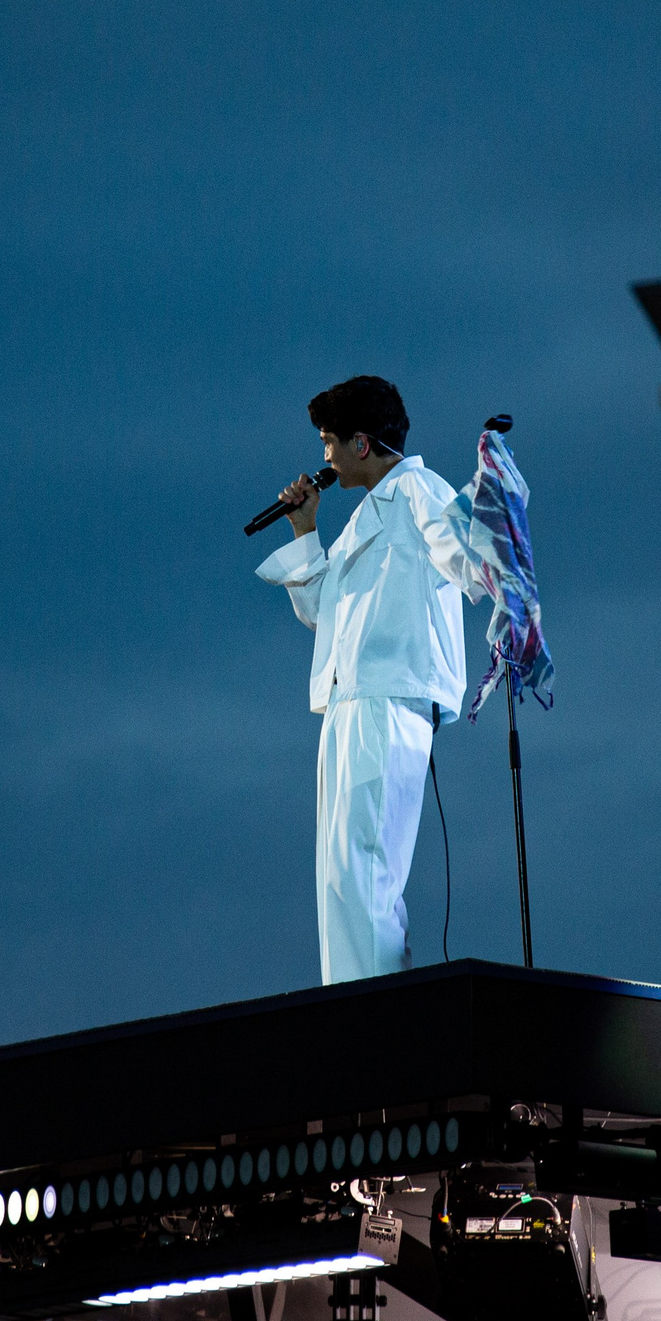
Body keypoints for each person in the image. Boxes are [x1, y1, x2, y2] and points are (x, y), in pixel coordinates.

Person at [257, 375, 494, 984]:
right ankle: (352, 1006)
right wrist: (305, 527)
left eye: (329, 442)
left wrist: (495, 524)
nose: (324, 458)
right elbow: (321, 613)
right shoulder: (369, 512)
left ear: (361, 443)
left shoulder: (417, 489)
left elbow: (468, 559)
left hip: (389, 701)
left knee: (365, 869)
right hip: (348, 705)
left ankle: (379, 1018)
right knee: (340, 875)